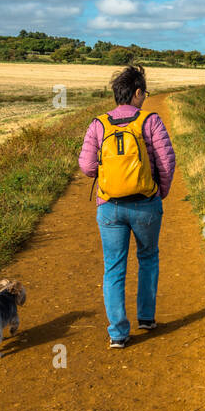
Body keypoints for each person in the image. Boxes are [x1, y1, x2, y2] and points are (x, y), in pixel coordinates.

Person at [78, 65, 175, 348]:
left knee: (114, 268)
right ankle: (146, 318)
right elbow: (166, 163)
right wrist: (159, 192)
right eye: (144, 93)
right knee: (148, 258)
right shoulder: (151, 121)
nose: (144, 97)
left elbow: (85, 166)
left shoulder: (99, 124)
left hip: (109, 207)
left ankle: (118, 334)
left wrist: (107, 173)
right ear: (136, 92)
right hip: (146, 205)